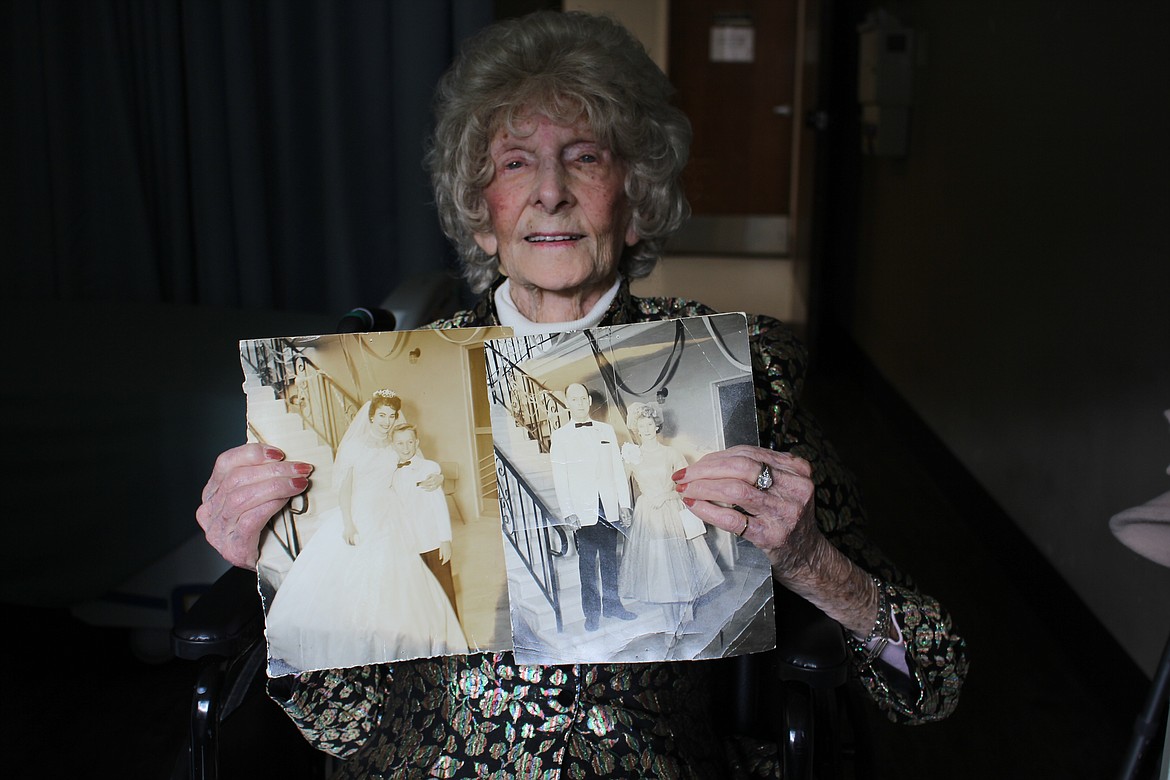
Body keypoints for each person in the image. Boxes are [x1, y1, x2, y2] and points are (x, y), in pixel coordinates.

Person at [196, 11, 967, 777]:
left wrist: (811, 562)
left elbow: (932, 680)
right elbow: (340, 725)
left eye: (586, 158)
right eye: (515, 163)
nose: (552, 193)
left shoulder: (735, 369)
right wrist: (266, 563)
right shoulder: (394, 380)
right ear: (483, 216)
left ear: (636, 202)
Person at [262, 391, 468, 672]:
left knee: (400, 576)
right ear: (371, 415)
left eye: (391, 416)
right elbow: (345, 487)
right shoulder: (356, 446)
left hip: (391, 512)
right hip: (360, 512)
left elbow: (414, 464)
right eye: (382, 415)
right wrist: (348, 521)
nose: (387, 421)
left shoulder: (394, 445)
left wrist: (439, 476)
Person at [619, 402, 724, 633]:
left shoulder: (671, 453)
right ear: (636, 428)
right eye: (641, 425)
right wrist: (624, 507)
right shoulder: (631, 454)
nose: (645, 429)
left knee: (681, 565)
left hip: (672, 509)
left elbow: (687, 483)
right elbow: (621, 485)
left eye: (649, 424)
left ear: (656, 426)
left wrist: (667, 494)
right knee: (660, 569)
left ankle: (683, 615)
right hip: (648, 514)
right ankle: (669, 623)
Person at [549, 382, 637, 631]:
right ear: (567, 403)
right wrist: (568, 511)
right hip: (582, 510)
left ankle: (613, 606)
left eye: (582, 398)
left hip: (607, 507)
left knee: (610, 560)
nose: (578, 403)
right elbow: (560, 477)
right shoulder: (560, 435)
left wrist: (624, 504)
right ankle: (592, 614)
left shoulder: (606, 431)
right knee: (587, 565)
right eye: (573, 399)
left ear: (589, 401)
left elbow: (618, 471)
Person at [388, 422, 459, 616]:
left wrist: (445, 539)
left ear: (416, 442)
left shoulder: (429, 468)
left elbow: (439, 506)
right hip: (408, 544)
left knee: (445, 594)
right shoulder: (388, 473)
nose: (405, 447)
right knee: (420, 599)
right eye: (400, 443)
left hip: (432, 541)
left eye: (409, 442)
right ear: (392, 445)